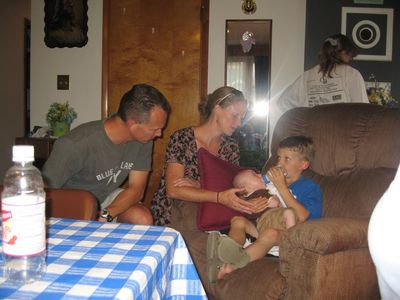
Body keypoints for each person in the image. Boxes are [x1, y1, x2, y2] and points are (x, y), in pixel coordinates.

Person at [42, 83, 171, 225]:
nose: (159, 134)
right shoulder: (75, 144)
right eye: (154, 129)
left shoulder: (143, 140)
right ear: (132, 124)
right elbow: (42, 194)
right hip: (73, 205)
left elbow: (136, 189)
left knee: (141, 217)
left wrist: (105, 215)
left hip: (105, 199)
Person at [206, 135, 323, 283]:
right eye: (279, 158)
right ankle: (231, 249)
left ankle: (231, 266)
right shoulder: (267, 184)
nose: (280, 163)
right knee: (237, 220)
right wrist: (251, 204)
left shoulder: (309, 187)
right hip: (262, 226)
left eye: (287, 159)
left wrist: (281, 186)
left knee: (270, 233)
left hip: (288, 235)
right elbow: (248, 191)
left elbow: (303, 215)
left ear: (303, 165)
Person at [151, 86, 269, 227]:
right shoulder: (182, 138)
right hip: (172, 211)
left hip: (211, 209)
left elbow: (230, 186)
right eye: (235, 116)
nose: (238, 123)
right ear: (217, 108)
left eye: (241, 118)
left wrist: (199, 184)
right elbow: (174, 190)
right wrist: (219, 196)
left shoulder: (230, 146)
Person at [273, 34, 369, 125]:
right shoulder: (352, 75)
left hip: (312, 135)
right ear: (343, 52)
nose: (350, 60)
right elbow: (363, 111)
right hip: (342, 136)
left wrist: (303, 120)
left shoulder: (306, 76)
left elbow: (283, 103)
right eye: (350, 56)